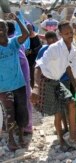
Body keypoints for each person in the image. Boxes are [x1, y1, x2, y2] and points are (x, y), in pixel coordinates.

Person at [31, 20, 76, 151]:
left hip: (57, 80)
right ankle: (61, 140)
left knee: (72, 103)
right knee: (58, 112)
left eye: (71, 32)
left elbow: (71, 68)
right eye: (66, 33)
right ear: (60, 34)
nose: (70, 35)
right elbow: (38, 66)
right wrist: (36, 87)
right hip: (46, 80)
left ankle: (72, 136)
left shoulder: (72, 48)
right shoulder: (54, 48)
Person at [0, 13, 29, 151]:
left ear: (7, 29)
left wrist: (16, 19)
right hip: (4, 87)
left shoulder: (13, 43)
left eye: (2, 26)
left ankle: (21, 136)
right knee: (9, 113)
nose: (0, 29)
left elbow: (26, 33)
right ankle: (11, 139)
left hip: (19, 84)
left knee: (21, 112)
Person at [36, 31, 69, 133]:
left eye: (53, 41)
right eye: (49, 43)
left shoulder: (63, 48)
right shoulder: (43, 50)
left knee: (67, 104)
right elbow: (38, 66)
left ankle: (67, 127)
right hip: (52, 82)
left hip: (64, 79)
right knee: (58, 108)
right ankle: (63, 129)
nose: (51, 45)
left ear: (57, 39)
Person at [6, 20, 33, 135]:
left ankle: (26, 127)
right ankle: (23, 126)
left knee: (23, 101)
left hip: (20, 76)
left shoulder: (11, 42)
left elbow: (21, 59)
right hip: (18, 76)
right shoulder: (12, 40)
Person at [25, 22, 42, 88]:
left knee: (37, 76)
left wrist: (36, 50)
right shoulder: (24, 38)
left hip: (37, 59)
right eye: (28, 28)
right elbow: (25, 52)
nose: (30, 29)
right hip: (29, 61)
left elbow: (40, 45)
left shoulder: (36, 36)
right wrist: (33, 50)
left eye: (30, 28)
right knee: (31, 76)